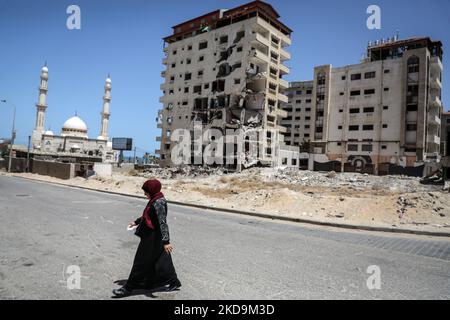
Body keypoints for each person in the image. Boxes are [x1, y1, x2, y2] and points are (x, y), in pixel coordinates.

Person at [112, 179, 181, 298]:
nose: (145, 194)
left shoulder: (159, 202)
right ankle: (174, 281)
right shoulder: (154, 199)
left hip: (153, 237)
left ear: (152, 190)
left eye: (146, 191)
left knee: (140, 262)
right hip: (152, 235)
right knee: (161, 260)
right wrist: (136, 221)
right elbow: (148, 215)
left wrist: (166, 242)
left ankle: (128, 288)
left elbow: (162, 223)